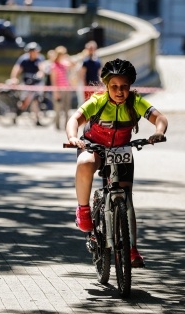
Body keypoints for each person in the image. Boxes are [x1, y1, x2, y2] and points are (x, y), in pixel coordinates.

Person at [65, 58, 168, 267]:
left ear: (130, 87)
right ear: (106, 86)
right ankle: (83, 209)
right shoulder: (98, 101)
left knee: (127, 200)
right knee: (84, 163)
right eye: (114, 86)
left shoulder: (136, 102)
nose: (119, 91)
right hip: (94, 146)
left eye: (124, 87)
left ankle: (131, 248)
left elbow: (160, 119)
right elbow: (74, 119)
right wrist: (73, 137)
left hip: (121, 150)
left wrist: (158, 132)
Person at [10, 41, 45, 125]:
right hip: (27, 83)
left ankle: (37, 119)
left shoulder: (40, 58)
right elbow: (17, 69)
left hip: (36, 83)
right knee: (24, 101)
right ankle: (17, 114)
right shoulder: (24, 59)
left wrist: (40, 74)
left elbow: (42, 69)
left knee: (36, 100)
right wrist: (14, 79)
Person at [50, 45, 74, 130]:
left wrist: (68, 57)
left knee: (67, 109)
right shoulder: (54, 66)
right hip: (59, 90)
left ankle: (66, 126)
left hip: (66, 89)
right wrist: (55, 92)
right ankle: (57, 126)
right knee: (58, 109)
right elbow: (53, 80)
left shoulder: (64, 64)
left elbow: (73, 64)